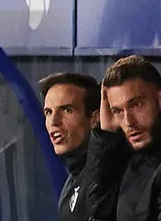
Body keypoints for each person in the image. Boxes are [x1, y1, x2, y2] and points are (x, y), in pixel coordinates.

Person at [87, 55, 161, 220]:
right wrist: (106, 137)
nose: (129, 122)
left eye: (136, 105)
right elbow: (98, 214)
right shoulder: (126, 159)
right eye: (117, 111)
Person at [38, 72, 100, 220]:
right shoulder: (73, 179)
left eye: (67, 110)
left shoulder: (106, 177)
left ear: (94, 119)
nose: (53, 121)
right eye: (48, 112)